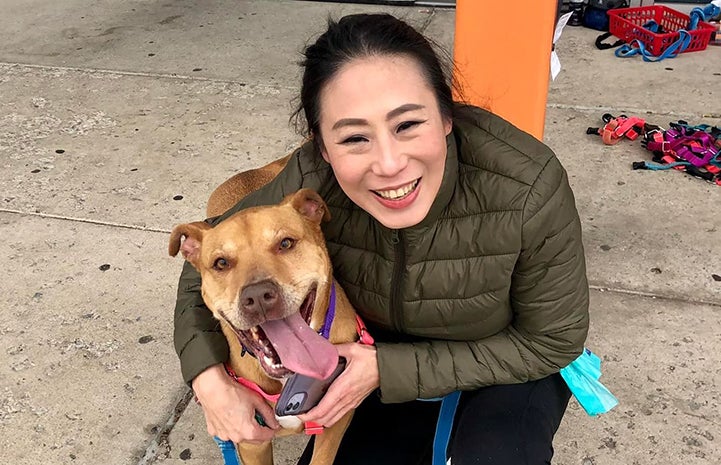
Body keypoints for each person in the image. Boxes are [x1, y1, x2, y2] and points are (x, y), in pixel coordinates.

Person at [174, 13, 589, 465]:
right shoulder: (313, 176)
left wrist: (386, 371)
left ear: (447, 116)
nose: (389, 163)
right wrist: (208, 379)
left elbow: (551, 341)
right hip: (374, 352)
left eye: (408, 124)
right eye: (355, 137)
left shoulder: (528, 185)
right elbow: (207, 260)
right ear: (322, 147)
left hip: (503, 357)